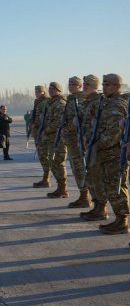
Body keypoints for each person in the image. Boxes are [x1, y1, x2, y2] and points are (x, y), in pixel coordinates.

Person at [94, 74, 128, 234]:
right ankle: (119, 219)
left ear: (117, 87)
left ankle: (122, 221)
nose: (104, 86)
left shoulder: (117, 105)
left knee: (117, 187)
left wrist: (98, 144)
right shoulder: (107, 103)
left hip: (114, 154)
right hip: (107, 154)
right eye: (103, 84)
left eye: (107, 84)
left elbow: (114, 134)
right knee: (111, 187)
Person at [80, 75, 108, 221]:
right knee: (90, 177)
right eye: (83, 84)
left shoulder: (98, 102)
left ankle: (102, 209)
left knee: (97, 177)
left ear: (93, 86)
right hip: (89, 145)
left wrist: (94, 141)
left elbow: (101, 124)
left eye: (86, 84)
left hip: (96, 145)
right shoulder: (88, 102)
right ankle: (96, 206)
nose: (83, 86)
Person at [63, 77, 90, 208]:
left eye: (73, 84)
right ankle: (83, 195)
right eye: (69, 84)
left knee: (80, 168)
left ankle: (85, 197)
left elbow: (77, 121)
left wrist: (66, 129)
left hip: (77, 140)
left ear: (80, 86)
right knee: (75, 168)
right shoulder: (71, 99)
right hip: (71, 140)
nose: (70, 86)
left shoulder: (80, 100)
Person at [41, 82, 68, 199]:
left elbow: (58, 122)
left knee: (59, 163)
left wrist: (46, 130)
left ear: (59, 90)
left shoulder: (60, 103)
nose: (51, 90)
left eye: (54, 88)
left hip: (59, 139)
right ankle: (60, 187)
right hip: (52, 138)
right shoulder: (51, 103)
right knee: (53, 163)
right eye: (50, 88)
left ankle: (63, 189)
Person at [32, 85, 50, 187]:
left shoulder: (45, 102)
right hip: (37, 132)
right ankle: (45, 178)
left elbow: (45, 118)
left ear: (43, 92)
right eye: (35, 91)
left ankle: (46, 179)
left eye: (38, 91)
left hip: (42, 133)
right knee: (42, 156)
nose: (36, 92)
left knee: (44, 156)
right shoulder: (38, 102)